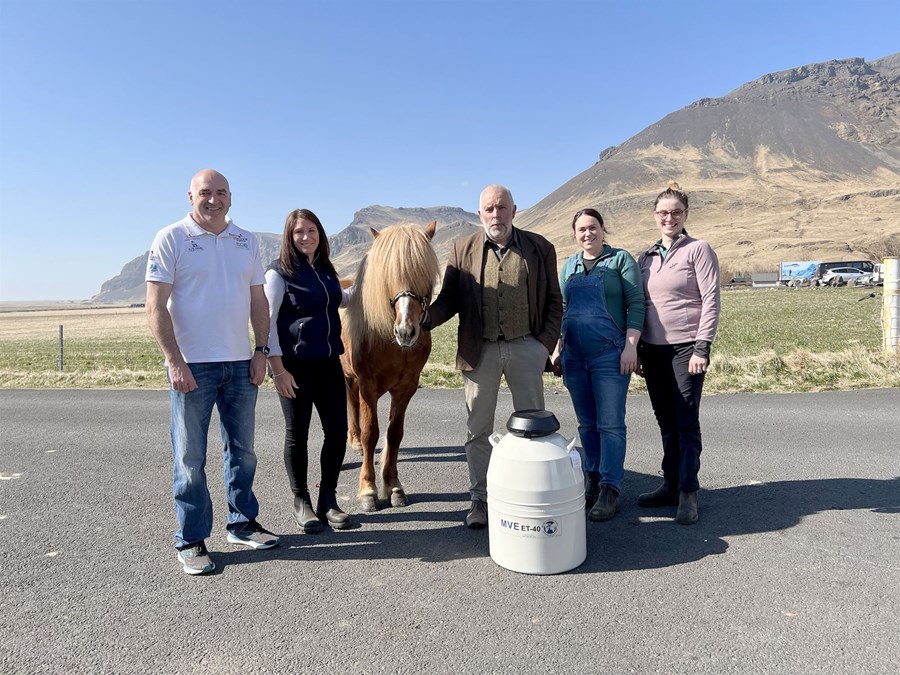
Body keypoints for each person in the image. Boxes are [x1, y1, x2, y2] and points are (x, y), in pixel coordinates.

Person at [146, 169, 280, 576]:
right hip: (193, 366)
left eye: (221, 193)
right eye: (206, 193)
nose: (214, 199)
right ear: (190, 196)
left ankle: (241, 524)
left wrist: (260, 351)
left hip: (241, 363)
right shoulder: (171, 238)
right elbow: (155, 307)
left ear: (231, 198)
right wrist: (175, 360)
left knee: (243, 451)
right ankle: (191, 540)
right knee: (190, 457)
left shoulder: (247, 241)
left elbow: (259, 303)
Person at [426, 184, 563, 529]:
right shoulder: (462, 249)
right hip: (480, 350)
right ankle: (480, 500)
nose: (496, 215)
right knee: (478, 431)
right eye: (489, 209)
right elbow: (449, 301)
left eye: (502, 208)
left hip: (525, 348)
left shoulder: (539, 247)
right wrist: (424, 318)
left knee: (532, 428)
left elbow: (554, 302)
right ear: (480, 215)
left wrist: (542, 346)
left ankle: (529, 494)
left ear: (514, 210)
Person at [550, 208, 644, 522]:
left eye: (593, 227)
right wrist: (557, 347)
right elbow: (564, 309)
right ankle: (590, 479)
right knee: (586, 424)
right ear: (575, 234)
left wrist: (631, 346)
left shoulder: (620, 260)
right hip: (574, 356)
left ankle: (610, 488)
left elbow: (636, 303)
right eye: (581, 230)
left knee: (610, 424)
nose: (587, 234)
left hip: (610, 355)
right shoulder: (570, 266)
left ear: (603, 229)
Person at [636, 181, 720, 525]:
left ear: (685, 215)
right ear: (655, 216)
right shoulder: (646, 256)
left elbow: (711, 299)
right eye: (663, 213)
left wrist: (703, 347)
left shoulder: (698, 249)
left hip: (687, 349)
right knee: (666, 422)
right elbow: (639, 304)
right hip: (653, 351)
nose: (669, 218)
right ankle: (669, 485)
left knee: (686, 422)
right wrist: (639, 348)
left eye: (675, 212)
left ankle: (688, 492)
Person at [263, 209, 352, 533]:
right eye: (299, 232)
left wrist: (370, 275)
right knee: (297, 435)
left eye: (312, 231)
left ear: (320, 234)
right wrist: (278, 370)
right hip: (294, 366)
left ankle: (327, 499)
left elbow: (340, 299)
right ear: (290, 236)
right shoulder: (278, 274)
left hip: (329, 363)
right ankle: (301, 501)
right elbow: (267, 323)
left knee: (337, 432)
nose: (306, 237)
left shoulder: (325, 269)